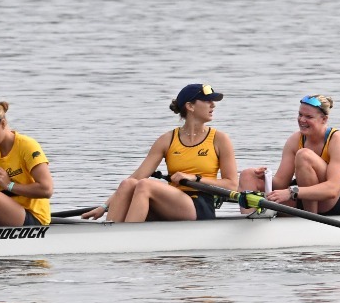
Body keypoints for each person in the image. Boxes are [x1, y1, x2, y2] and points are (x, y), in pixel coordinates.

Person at [85, 83, 262, 223]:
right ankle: (110, 233)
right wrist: (104, 206)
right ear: (190, 106)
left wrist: (195, 178)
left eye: (212, 101)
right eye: (207, 101)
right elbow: (137, 176)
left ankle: (125, 238)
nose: (213, 105)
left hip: (199, 204)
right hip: (171, 202)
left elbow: (231, 185)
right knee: (128, 184)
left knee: (145, 186)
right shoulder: (167, 139)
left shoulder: (220, 139)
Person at [268, 94, 340, 215]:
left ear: (324, 119)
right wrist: (263, 177)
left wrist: (291, 192)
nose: (302, 120)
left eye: (309, 116)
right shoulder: (295, 140)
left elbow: (332, 190)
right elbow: (280, 183)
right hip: (306, 195)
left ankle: (310, 220)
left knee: (304, 156)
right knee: (248, 175)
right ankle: (250, 222)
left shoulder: (338, 140)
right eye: (300, 114)